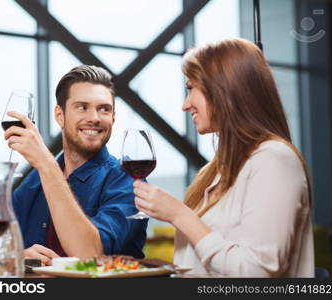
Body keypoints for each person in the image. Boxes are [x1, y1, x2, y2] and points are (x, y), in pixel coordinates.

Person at [133, 38, 314, 277]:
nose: (185, 105)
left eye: (191, 88)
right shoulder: (215, 170)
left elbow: (256, 272)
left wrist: (179, 214)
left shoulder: (274, 160)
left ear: (222, 89)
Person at [5, 65, 148, 265]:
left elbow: (89, 255)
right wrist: (18, 257)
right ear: (59, 115)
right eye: (82, 107)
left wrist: (46, 164)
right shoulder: (33, 182)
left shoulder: (128, 181)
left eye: (104, 109)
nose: (94, 118)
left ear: (113, 117)